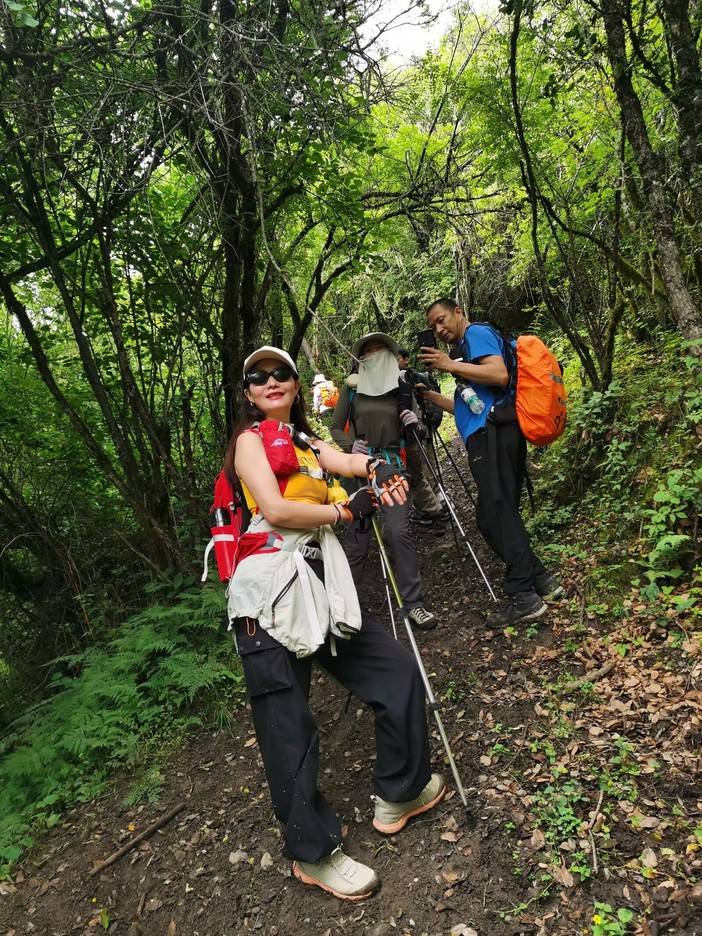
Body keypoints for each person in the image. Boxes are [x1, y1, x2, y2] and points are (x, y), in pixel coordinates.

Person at [225, 345, 446, 901]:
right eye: (259, 376)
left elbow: (342, 460)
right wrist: (347, 510)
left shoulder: (302, 440)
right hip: (266, 595)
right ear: (248, 392)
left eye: (281, 373)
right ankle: (313, 853)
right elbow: (275, 509)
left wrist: (376, 467)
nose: (271, 381)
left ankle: (401, 791)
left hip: (318, 584)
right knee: (287, 726)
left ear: (296, 384)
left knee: (394, 670)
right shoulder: (250, 441)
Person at [419, 299, 563, 627]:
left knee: (497, 513)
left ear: (458, 312)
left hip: (493, 435)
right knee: (492, 517)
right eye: (432, 327)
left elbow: (498, 374)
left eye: (441, 319)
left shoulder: (476, 333)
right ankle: (541, 580)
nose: (438, 329)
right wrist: (431, 396)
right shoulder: (468, 351)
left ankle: (523, 595)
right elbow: (471, 405)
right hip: (492, 431)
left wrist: (449, 365)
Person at [330, 333, 436, 630]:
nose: (375, 354)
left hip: (392, 467)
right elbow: (335, 427)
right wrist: (350, 446)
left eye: (380, 349)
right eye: (369, 351)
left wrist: (416, 424)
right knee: (357, 539)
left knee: (399, 532)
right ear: (360, 359)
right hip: (358, 470)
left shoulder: (401, 387)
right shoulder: (352, 388)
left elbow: (417, 432)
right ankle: (345, 612)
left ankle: (414, 604)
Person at [396, 346, 447, 528]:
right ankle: (439, 502)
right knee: (428, 467)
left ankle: (434, 509)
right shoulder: (412, 376)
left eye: (396, 358)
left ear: (405, 359)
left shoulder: (401, 378)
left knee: (422, 471)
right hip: (425, 427)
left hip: (416, 431)